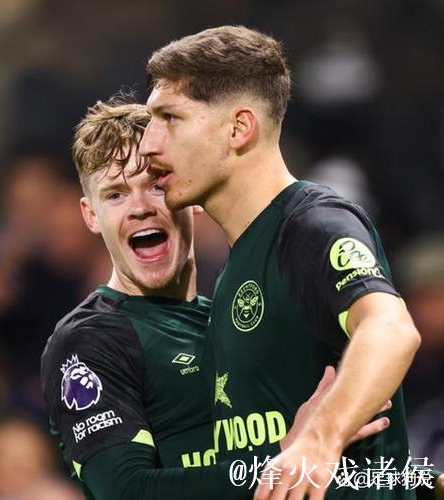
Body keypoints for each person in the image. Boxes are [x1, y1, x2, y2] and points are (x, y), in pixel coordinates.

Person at [139, 25, 440, 499]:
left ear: (239, 128)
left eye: (169, 118)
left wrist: (320, 439)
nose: (148, 145)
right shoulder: (236, 267)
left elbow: (390, 329)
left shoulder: (313, 226)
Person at [40, 98, 391, 500]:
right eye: (115, 195)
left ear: (187, 192)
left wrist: (421, 484)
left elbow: (323, 467)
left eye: (155, 186)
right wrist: (287, 455)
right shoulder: (89, 341)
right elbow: (128, 491)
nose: (139, 209)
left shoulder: (233, 316)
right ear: (91, 215)